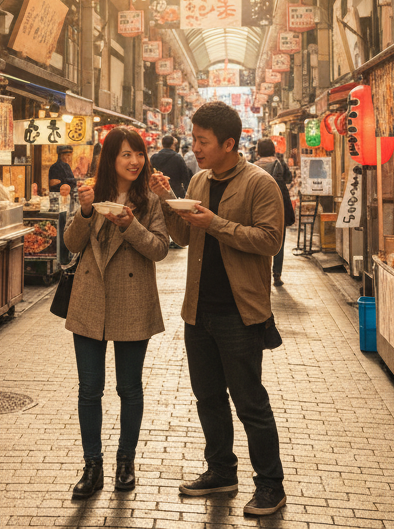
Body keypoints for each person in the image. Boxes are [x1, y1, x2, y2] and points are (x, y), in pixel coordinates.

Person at [151, 101, 287, 516]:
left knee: (249, 402)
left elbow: (269, 241)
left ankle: (270, 485)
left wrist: (216, 224)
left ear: (230, 143)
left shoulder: (260, 183)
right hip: (199, 311)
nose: (196, 148)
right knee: (208, 397)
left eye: (203, 141)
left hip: (239, 312)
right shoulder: (198, 182)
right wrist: (167, 199)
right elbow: (183, 237)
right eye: (194, 139)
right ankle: (221, 471)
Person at [64, 127, 170, 499]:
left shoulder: (150, 199)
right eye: (126, 154)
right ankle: (92, 466)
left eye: (139, 154)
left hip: (132, 299)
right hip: (91, 298)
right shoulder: (93, 194)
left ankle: (125, 462)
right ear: (109, 158)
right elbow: (72, 244)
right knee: (90, 390)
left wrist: (131, 226)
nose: (135, 161)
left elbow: (160, 249)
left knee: (129, 388)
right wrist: (86, 210)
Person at [254, 138, 294, 286]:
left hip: (259, 206)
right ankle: (277, 274)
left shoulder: (254, 165)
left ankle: (260, 272)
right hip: (279, 205)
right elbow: (288, 179)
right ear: (272, 149)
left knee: (258, 238)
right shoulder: (279, 163)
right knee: (279, 240)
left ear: (259, 150)